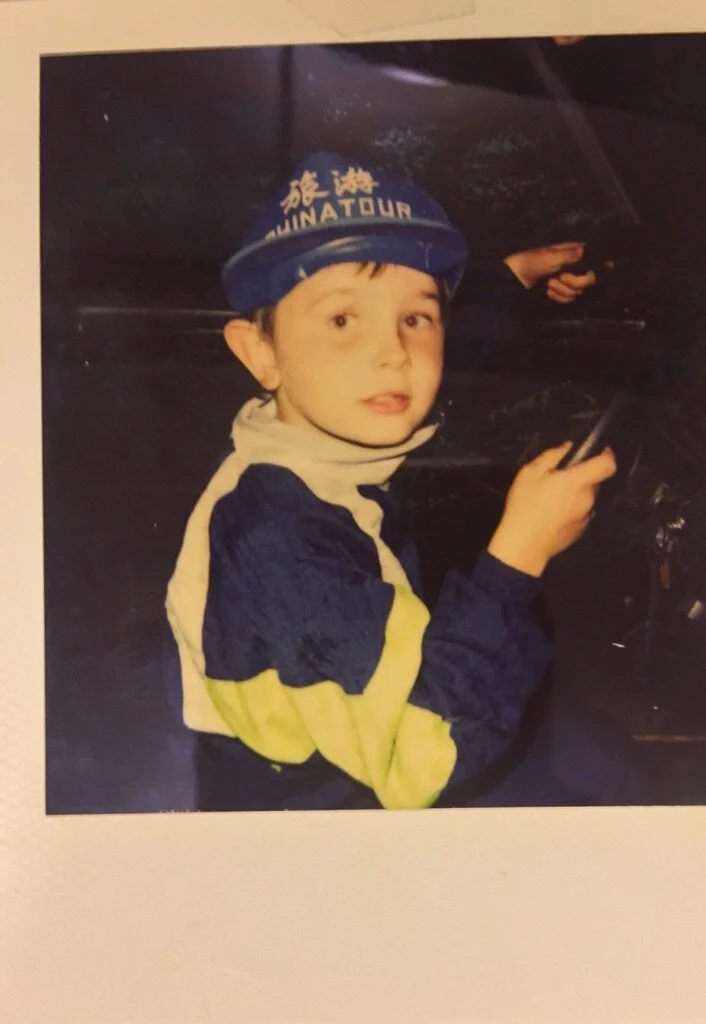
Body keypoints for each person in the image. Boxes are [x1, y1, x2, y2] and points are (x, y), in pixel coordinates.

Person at [165, 151, 616, 811]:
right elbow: (423, 762)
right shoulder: (278, 535)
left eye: (415, 319)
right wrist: (518, 556)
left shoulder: (306, 441)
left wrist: (513, 277)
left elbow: (446, 349)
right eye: (341, 320)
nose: (394, 354)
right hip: (321, 816)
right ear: (261, 352)